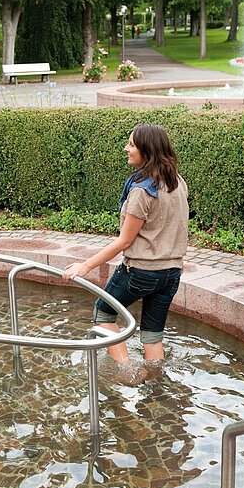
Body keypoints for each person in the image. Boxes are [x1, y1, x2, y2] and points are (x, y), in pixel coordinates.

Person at [62, 123, 189, 380]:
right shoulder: (177, 182)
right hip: (171, 273)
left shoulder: (142, 191)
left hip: (141, 271)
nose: (126, 149)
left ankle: (127, 370)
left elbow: (124, 242)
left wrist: (84, 266)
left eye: (131, 144)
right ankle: (156, 382)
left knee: (103, 313)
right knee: (152, 333)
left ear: (146, 150)